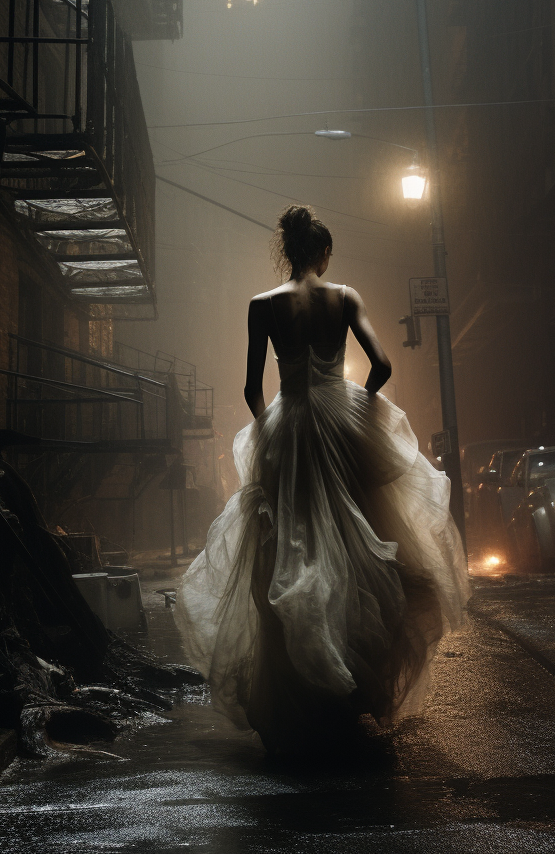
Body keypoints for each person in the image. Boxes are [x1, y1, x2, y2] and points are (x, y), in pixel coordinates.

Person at [175, 205, 469, 754]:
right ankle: (352, 684)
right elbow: (380, 364)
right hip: (341, 422)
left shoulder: (261, 306)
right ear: (324, 252)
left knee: (288, 549)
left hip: (290, 424)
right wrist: (359, 409)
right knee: (363, 547)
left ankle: (301, 688)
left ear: (287, 252)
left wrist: (270, 429)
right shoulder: (345, 297)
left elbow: (248, 387)